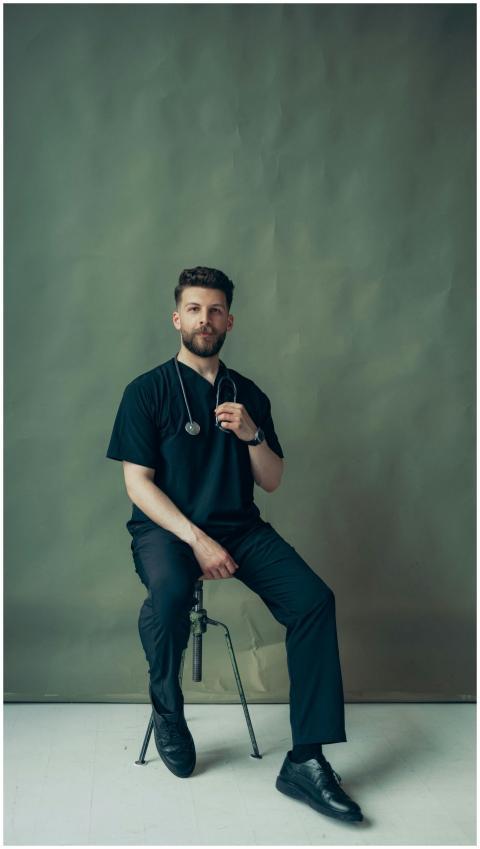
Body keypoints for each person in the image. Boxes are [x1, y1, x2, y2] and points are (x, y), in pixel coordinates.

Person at [106, 265, 363, 824]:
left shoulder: (248, 394)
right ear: (178, 318)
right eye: (195, 309)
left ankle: (306, 758)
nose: (206, 319)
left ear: (230, 320)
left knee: (314, 601)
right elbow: (137, 484)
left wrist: (252, 435)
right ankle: (168, 710)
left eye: (216, 309)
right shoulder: (146, 391)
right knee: (170, 593)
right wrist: (195, 539)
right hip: (167, 531)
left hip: (239, 527)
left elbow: (271, 480)